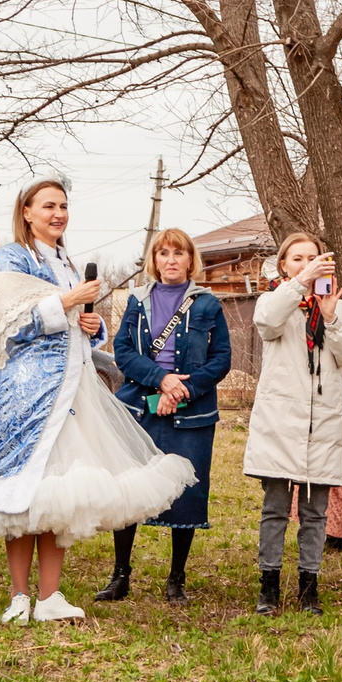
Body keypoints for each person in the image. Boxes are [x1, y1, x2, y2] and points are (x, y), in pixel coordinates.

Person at [0, 179, 192, 625]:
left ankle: (50, 596)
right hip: (26, 390)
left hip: (69, 388)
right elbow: (12, 323)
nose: (58, 213)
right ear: (26, 211)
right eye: (49, 206)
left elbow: (71, 321)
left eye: (63, 206)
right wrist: (68, 301)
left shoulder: (64, 259)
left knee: (57, 493)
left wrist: (91, 323)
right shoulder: (12, 257)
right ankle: (19, 596)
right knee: (23, 494)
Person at [101, 227, 232, 605]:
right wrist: (161, 379)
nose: (170, 260)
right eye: (163, 253)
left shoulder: (207, 304)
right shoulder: (136, 300)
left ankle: (177, 579)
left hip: (191, 413)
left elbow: (221, 358)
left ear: (191, 259)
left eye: (178, 253)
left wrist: (184, 389)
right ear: (153, 260)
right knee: (130, 488)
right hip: (140, 407)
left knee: (185, 492)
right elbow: (123, 352)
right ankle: (120, 575)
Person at [240, 233, 342, 616]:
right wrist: (299, 283)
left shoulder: (335, 307)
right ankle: (269, 587)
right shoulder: (275, 300)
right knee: (275, 508)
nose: (306, 264)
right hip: (281, 422)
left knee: (316, 512)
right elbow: (266, 323)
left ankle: (308, 588)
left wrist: (331, 316)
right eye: (297, 259)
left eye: (313, 258)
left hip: (323, 424)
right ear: (284, 265)